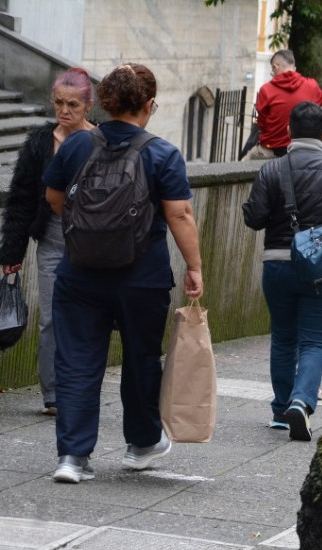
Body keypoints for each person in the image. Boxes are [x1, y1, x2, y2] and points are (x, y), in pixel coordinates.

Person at [43, 63, 204, 483]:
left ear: (107, 102)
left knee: (77, 360)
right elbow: (180, 214)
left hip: (79, 273)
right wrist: (194, 266)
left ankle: (72, 458)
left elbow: (54, 197)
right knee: (141, 359)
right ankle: (142, 442)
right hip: (142, 275)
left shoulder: (77, 145)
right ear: (149, 105)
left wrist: (89, 232)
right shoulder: (161, 153)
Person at [242, 101, 322, 441]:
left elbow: (253, 218)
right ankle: (301, 402)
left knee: (283, 338)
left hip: (278, 264)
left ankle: (280, 410)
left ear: (288, 131)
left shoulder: (272, 170)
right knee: (315, 341)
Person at [0, 68, 95, 417]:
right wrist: (12, 251)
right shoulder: (40, 143)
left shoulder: (102, 141)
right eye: (58, 103)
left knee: (87, 320)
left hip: (92, 244)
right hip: (52, 241)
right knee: (52, 318)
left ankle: (80, 385)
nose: (64, 110)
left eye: (72, 104)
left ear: (88, 105)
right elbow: (21, 198)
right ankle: (53, 393)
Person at [248, 50, 322, 160]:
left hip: (271, 151)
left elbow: (262, 123)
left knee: (241, 166)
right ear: (294, 68)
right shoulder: (311, 85)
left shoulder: (266, 90)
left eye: (272, 71)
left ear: (276, 67)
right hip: (304, 149)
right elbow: (321, 102)